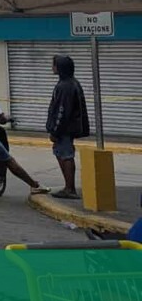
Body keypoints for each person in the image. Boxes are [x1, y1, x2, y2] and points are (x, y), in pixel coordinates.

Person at [47, 55, 90, 200]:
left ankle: (69, 188)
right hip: (68, 128)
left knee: (65, 155)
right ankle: (68, 187)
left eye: (54, 65)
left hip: (64, 129)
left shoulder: (65, 86)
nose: (52, 67)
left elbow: (62, 110)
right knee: (63, 154)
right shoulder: (70, 83)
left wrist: (55, 130)